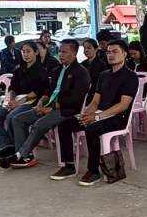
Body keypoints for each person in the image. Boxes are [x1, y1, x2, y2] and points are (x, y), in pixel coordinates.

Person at [59, 37, 139, 186]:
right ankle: (69, 165)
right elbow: (95, 101)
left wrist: (97, 117)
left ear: (124, 54)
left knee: (92, 128)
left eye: (115, 51)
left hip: (117, 117)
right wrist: (87, 113)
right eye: (108, 52)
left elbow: (123, 105)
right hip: (99, 114)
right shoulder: (103, 75)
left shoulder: (130, 77)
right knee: (65, 124)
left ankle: (93, 171)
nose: (111, 55)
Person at [6, 38, 90, 171]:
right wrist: (41, 102)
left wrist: (51, 108)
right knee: (18, 119)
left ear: (74, 53)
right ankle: (24, 156)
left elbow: (75, 99)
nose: (60, 54)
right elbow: (49, 91)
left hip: (67, 110)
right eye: (60, 51)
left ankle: (20, 155)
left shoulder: (81, 72)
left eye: (64, 52)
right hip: (49, 106)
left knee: (39, 125)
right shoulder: (57, 70)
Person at [0, 40, 51, 166]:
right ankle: (6, 146)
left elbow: (39, 91)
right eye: (23, 52)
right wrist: (12, 100)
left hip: (31, 102)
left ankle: (20, 151)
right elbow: (13, 88)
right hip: (17, 101)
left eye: (28, 51)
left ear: (36, 52)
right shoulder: (19, 69)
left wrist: (19, 103)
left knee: (12, 116)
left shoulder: (41, 70)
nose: (26, 54)